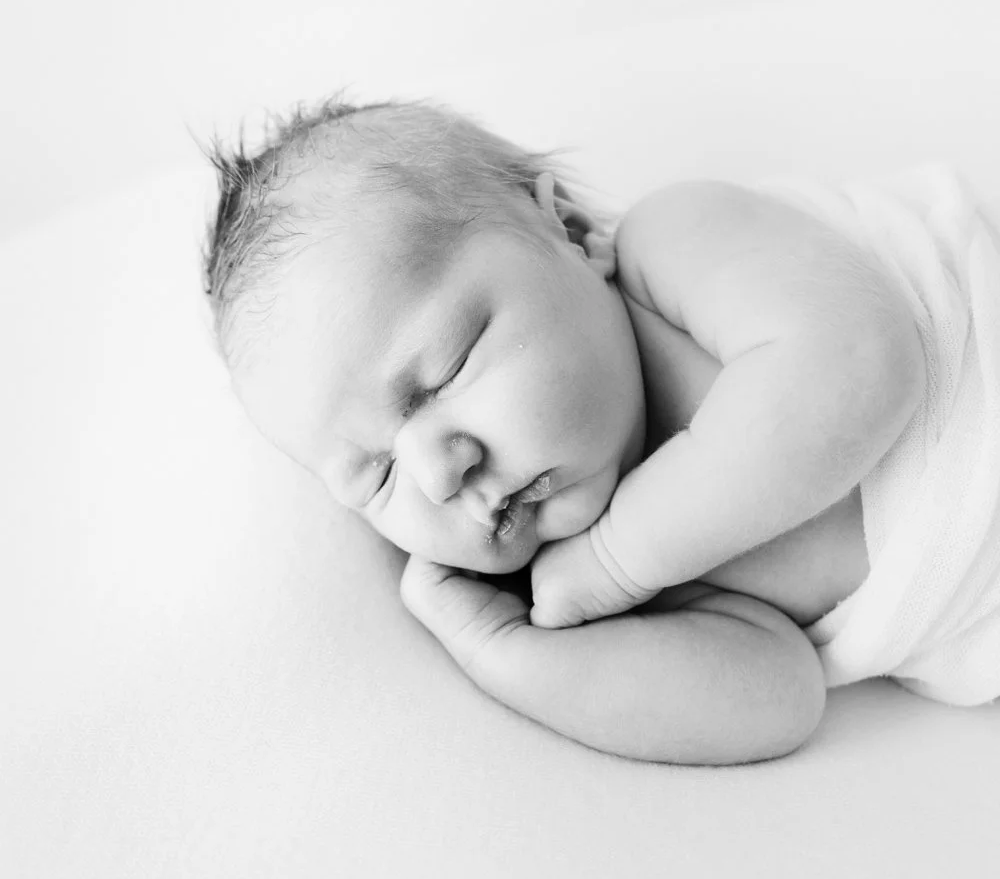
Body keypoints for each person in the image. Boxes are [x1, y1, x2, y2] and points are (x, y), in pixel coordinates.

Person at [200, 97, 1000, 766]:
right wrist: (509, 653)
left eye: (443, 372)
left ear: (572, 233)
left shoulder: (674, 245)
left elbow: (858, 364)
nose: (437, 475)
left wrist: (621, 558)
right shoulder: (581, 572)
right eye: (376, 476)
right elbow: (778, 699)